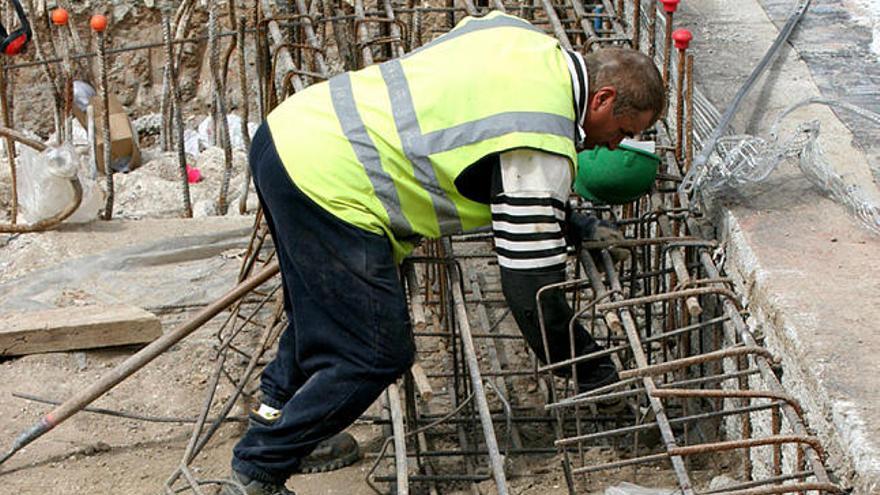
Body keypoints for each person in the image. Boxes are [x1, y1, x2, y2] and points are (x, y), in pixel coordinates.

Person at [226, 10, 664, 495]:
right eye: (622, 132)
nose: (613, 145)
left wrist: (572, 224)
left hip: (292, 134)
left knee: (322, 307)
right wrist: (596, 374)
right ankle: (260, 467)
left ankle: (276, 414)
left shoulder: (520, 38)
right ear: (601, 100)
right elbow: (531, 291)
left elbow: (475, 139)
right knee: (373, 351)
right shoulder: (541, 140)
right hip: (336, 183)